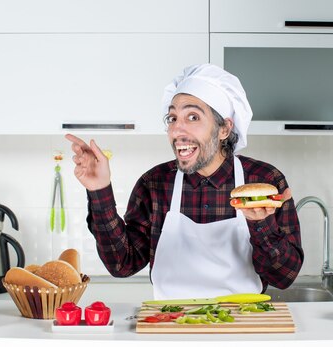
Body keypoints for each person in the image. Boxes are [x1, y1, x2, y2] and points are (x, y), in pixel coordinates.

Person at [66, 64, 303, 299]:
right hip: (169, 325)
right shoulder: (154, 183)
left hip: (241, 326)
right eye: (172, 118)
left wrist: (261, 226)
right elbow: (122, 264)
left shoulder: (264, 182)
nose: (176, 129)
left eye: (192, 117)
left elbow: (284, 278)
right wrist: (99, 191)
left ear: (224, 129)